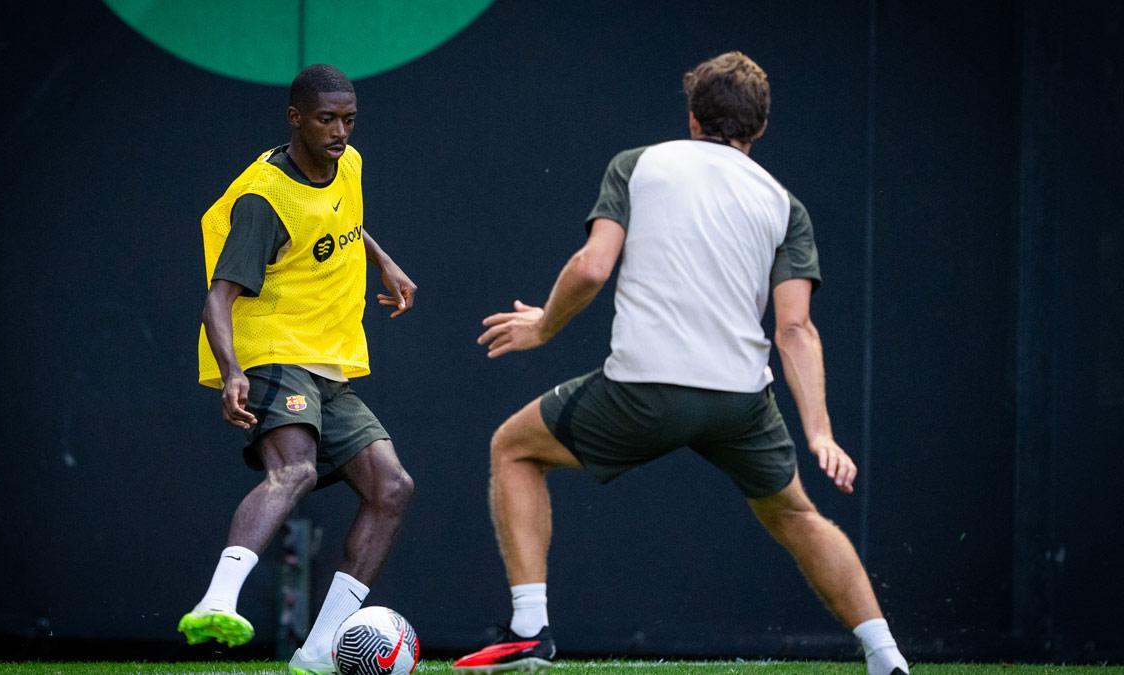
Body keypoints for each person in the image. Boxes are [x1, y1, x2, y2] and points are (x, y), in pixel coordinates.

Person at [454, 52, 910, 675]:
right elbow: (795, 329)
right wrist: (820, 432)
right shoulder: (784, 204)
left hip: (642, 392)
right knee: (799, 515)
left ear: (692, 117)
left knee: (513, 448)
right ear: (760, 129)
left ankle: (530, 630)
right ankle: (888, 659)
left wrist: (542, 326)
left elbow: (591, 267)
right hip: (741, 405)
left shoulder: (640, 164)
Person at [177, 64, 417, 675]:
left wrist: (384, 260)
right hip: (270, 348)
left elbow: (340, 222)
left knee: (392, 489)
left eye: (349, 119)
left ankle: (318, 652)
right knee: (296, 471)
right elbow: (218, 297)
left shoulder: (350, 163)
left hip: (328, 358)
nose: (340, 131)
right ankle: (217, 601)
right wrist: (232, 371)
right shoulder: (264, 199)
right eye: (326, 119)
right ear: (295, 119)